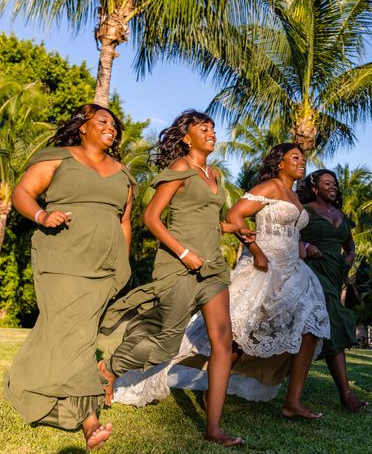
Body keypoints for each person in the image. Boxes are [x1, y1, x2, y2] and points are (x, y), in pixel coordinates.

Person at [97, 110, 249, 446]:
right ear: (186, 137)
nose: (211, 132)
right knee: (165, 344)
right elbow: (152, 218)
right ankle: (109, 369)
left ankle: (214, 428)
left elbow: (208, 218)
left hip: (211, 268)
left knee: (223, 342)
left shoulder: (217, 175)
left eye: (212, 127)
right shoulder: (180, 169)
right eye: (203, 128)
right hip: (178, 265)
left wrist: (233, 229)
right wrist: (183, 253)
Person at [5, 104, 136, 450]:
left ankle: (64, 400)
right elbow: (22, 193)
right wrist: (41, 214)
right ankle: (89, 420)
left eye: (115, 125)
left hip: (105, 266)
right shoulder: (59, 158)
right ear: (82, 127)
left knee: (78, 335)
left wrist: (123, 262)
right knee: (75, 336)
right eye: (103, 121)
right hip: (61, 258)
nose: (112, 128)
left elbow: (125, 221)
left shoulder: (123, 173)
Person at [225, 143, 330, 419]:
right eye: (295, 157)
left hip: (295, 270)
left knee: (312, 325)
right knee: (245, 330)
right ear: (280, 162)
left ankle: (292, 402)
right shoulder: (270, 187)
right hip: (266, 266)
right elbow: (234, 215)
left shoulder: (296, 197)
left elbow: (291, 234)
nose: (302, 161)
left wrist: (304, 249)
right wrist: (256, 250)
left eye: (304, 158)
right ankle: (216, 388)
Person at [298, 169, 368, 412]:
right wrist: (305, 245)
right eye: (327, 183)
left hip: (334, 274)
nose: (333, 187)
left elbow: (350, 245)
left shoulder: (339, 214)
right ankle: (346, 394)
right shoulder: (305, 209)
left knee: (315, 329)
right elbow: (285, 235)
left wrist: (348, 259)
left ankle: (293, 394)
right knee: (334, 321)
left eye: (335, 183)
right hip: (311, 271)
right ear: (314, 187)